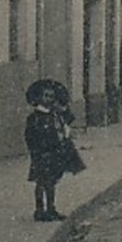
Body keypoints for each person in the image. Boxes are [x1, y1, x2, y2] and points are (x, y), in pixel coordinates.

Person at [25, 83, 72, 222]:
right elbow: (29, 137)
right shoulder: (34, 117)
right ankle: (40, 209)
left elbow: (66, 124)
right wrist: (36, 151)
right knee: (41, 182)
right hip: (41, 154)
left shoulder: (55, 115)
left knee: (51, 182)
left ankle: (51, 208)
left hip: (53, 153)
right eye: (46, 96)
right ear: (39, 98)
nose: (49, 99)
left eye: (51, 96)